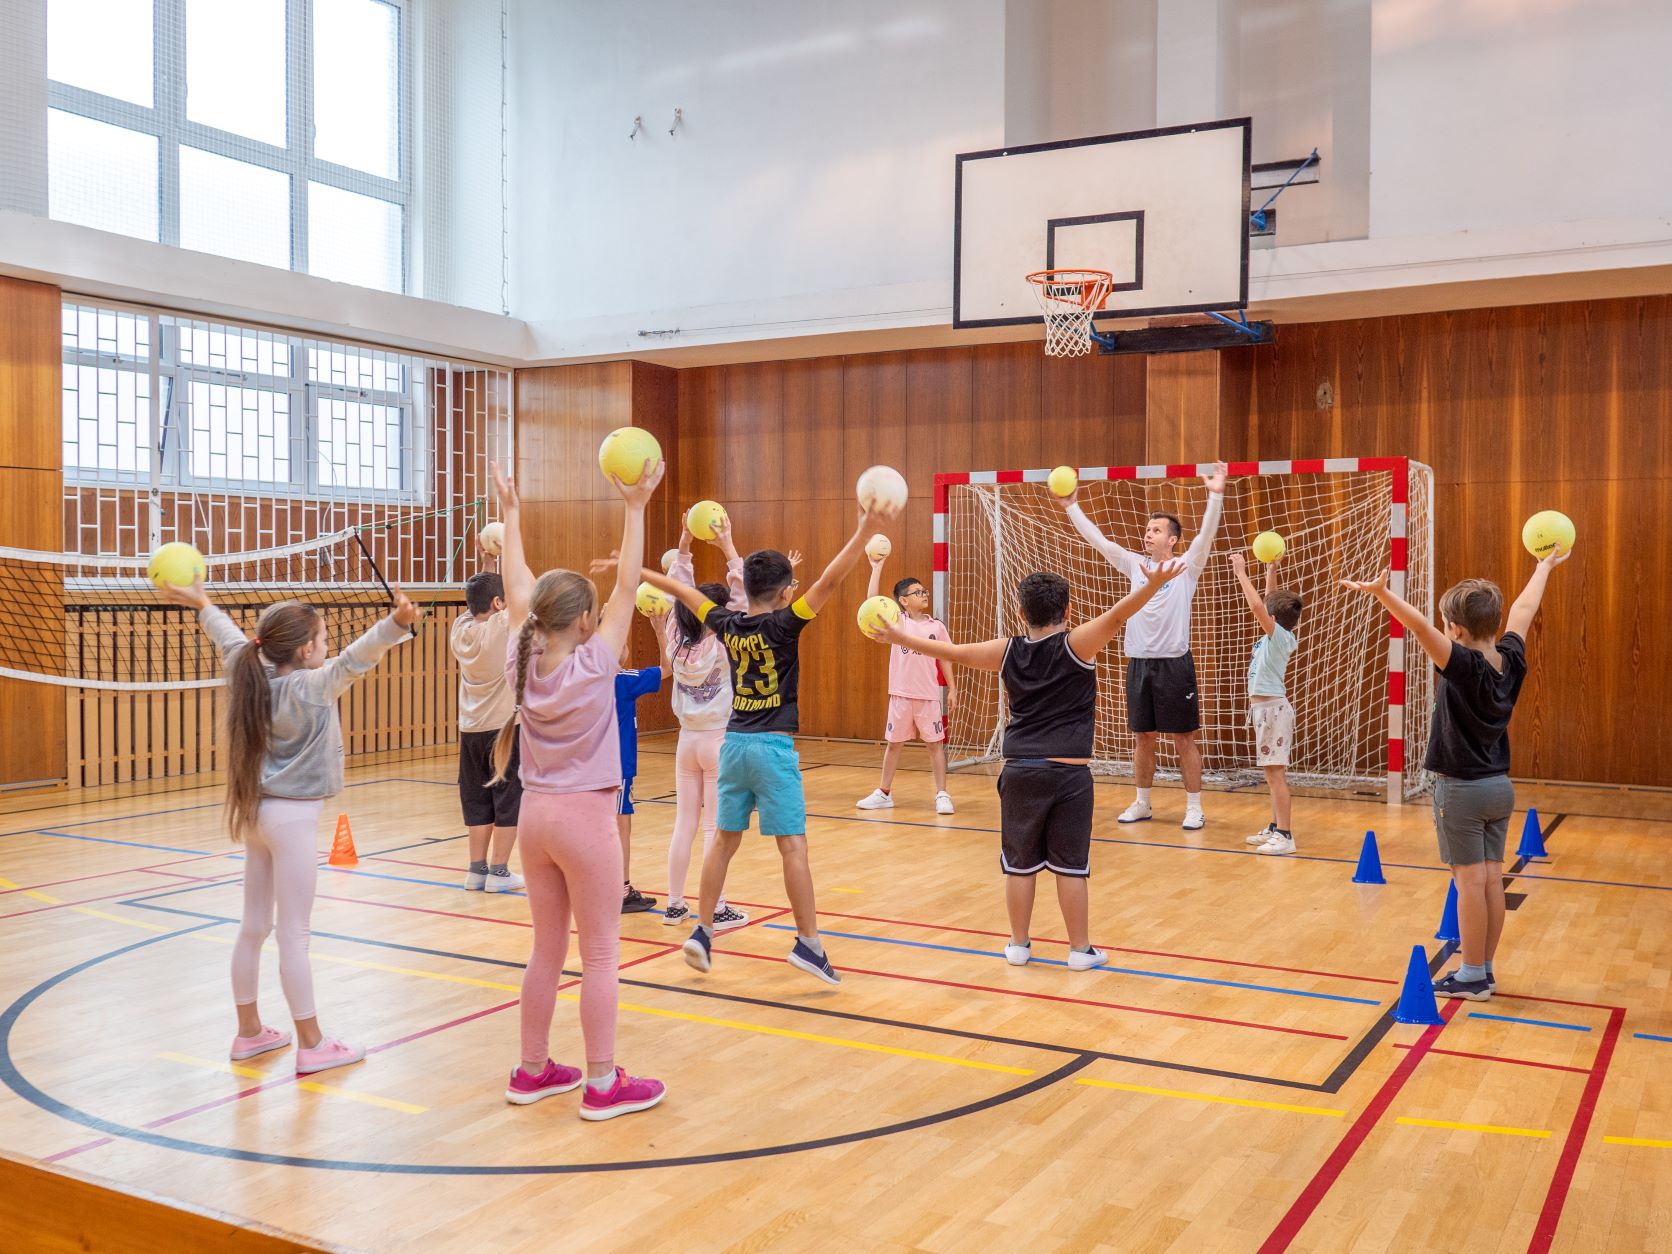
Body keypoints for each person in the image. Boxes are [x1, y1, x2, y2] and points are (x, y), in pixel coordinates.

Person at [160, 578, 420, 1075]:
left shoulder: (248, 669)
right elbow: (355, 661)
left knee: (254, 927)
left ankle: (250, 1033)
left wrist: (205, 604)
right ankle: (312, 1043)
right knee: (294, 934)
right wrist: (395, 625)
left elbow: (230, 638)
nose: (328, 648)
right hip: (293, 819)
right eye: (323, 640)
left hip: (258, 814)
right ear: (304, 651)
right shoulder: (310, 685)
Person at [866, 561, 1180, 968]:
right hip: (1069, 774)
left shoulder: (1007, 649)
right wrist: (1154, 584)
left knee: (1019, 865)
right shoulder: (1078, 643)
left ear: (1020, 613)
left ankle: (1017, 945)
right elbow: (1120, 613)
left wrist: (896, 634)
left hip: (1019, 770)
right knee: (1071, 868)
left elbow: (953, 652)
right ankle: (1080, 950)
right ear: (1067, 611)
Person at [641, 504, 895, 985]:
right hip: (772, 749)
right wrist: (862, 528)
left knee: (722, 839)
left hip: (733, 743)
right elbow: (833, 580)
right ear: (784, 592)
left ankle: (702, 929)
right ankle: (809, 944)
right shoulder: (786, 623)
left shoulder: (726, 623)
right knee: (792, 847)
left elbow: (681, 590)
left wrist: (638, 568)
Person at [491, 458, 666, 1119]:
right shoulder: (596, 661)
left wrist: (511, 512)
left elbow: (515, 581)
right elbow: (627, 582)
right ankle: (600, 1083)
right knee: (599, 954)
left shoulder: (519, 653)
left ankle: (533, 1070)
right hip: (587, 820)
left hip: (534, 818)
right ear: (587, 621)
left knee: (545, 949)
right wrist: (635, 504)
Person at [1342, 543, 1568, 999]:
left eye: (1449, 627)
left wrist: (1383, 594)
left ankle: (1470, 974)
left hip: (1461, 792)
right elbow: (1525, 609)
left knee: (1469, 884)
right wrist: (1543, 567)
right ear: (1494, 622)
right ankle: (1484, 969)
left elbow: (1419, 626)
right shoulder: (1511, 658)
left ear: (1457, 631)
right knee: (1490, 880)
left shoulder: (1462, 665)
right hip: (1499, 788)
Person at [1057, 462, 1227, 829]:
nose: (1148, 534)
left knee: (1184, 739)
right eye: (1147, 529)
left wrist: (1215, 496)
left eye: (1156, 530)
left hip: (1175, 665)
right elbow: (1099, 541)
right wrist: (1072, 506)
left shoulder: (1186, 566)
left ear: (1172, 539)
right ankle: (1143, 802)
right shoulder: (1134, 565)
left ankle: (1194, 806)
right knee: (1142, 737)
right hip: (1140, 664)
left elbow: (1206, 537)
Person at [660, 518, 752, 930]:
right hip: (720, 741)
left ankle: (676, 904)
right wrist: (728, 544)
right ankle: (716, 908)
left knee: (685, 824)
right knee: (716, 828)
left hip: (686, 742)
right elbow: (744, 596)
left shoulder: (675, 636)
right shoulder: (724, 639)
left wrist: (684, 541)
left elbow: (680, 591)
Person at [854, 556, 958, 816]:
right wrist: (876, 567)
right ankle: (883, 793)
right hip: (900, 695)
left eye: (924, 591)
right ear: (903, 600)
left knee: (935, 745)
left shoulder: (937, 626)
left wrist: (953, 689)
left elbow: (946, 657)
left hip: (928, 696)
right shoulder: (897, 622)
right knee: (893, 745)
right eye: (917, 592)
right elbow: (871, 602)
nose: (924, 595)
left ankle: (942, 794)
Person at [451, 564, 525, 891]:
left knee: (477, 798)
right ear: (498, 603)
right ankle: (499, 872)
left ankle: (475, 870)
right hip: (505, 729)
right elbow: (520, 598)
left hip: (470, 730)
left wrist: (485, 566)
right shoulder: (503, 625)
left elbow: (479, 597)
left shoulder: (460, 628)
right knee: (508, 797)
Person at [1229, 552, 1303, 855]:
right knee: (1273, 774)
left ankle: (1285, 835)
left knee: (1274, 775)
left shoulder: (1279, 637)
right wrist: (1271, 569)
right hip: (1266, 711)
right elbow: (1268, 604)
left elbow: (1258, 605)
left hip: (1273, 711)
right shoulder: (1279, 634)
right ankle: (1275, 828)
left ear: (1271, 620)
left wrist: (1241, 572)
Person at [614, 646, 669, 914]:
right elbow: (667, 668)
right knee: (621, 827)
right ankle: (621, 892)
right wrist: (659, 629)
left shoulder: (585, 678)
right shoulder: (624, 680)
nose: (627, 648)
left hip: (590, 767)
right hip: (617, 767)